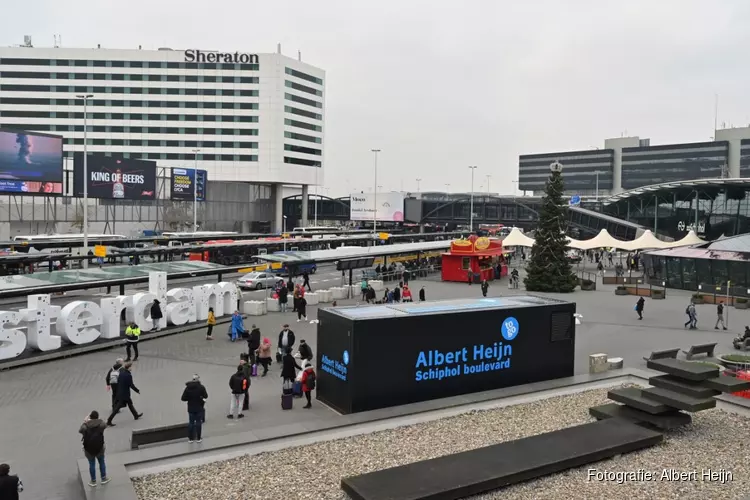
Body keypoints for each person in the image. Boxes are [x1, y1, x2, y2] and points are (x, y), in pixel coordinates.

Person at [79, 410, 110, 487]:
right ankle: (103, 478)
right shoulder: (101, 424)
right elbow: (105, 424)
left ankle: (93, 481)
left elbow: (80, 430)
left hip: (88, 449)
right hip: (100, 447)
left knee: (91, 464)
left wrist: (85, 421)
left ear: (90, 417)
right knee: (102, 462)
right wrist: (99, 419)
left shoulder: (85, 426)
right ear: (97, 417)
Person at [106, 362, 142, 426]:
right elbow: (131, 385)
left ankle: (136, 415)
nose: (132, 368)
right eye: (131, 367)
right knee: (117, 408)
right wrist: (137, 390)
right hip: (124, 394)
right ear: (129, 367)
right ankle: (109, 420)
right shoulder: (128, 375)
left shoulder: (121, 373)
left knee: (130, 404)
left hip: (121, 392)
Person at [181, 374, 208, 443]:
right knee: (198, 422)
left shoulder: (188, 388)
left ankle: (190, 439)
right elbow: (206, 396)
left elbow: (183, 398)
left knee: (191, 423)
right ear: (198, 379)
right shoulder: (201, 387)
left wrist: (189, 398)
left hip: (190, 408)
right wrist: (200, 397)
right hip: (199, 407)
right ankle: (198, 438)